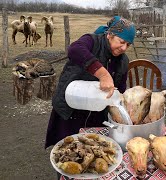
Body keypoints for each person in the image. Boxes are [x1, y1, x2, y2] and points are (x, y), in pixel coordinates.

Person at [45, 16, 136, 148]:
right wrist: (103, 74)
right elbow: (74, 49)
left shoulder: (123, 61)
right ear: (110, 34)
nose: (123, 48)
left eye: (128, 44)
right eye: (121, 41)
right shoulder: (92, 41)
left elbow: (119, 90)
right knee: (67, 148)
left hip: (97, 111)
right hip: (71, 107)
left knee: (92, 149)